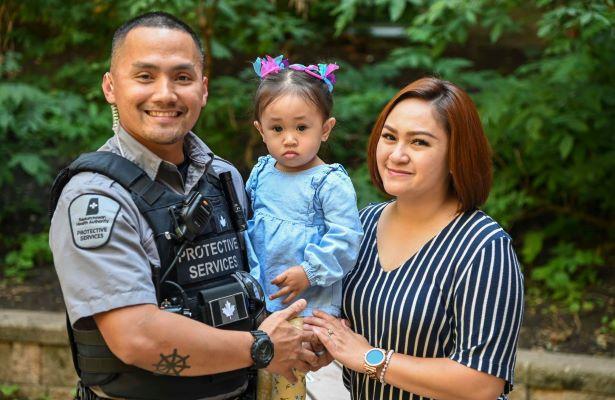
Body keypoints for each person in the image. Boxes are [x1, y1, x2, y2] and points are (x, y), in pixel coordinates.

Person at [49, 12, 320, 400]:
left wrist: (299, 333)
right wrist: (263, 347)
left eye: (182, 77)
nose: (165, 94)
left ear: (203, 89)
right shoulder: (95, 198)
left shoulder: (224, 177)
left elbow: (250, 287)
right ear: (110, 86)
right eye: (145, 76)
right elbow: (136, 336)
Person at [304, 77, 525, 400]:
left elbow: (483, 382)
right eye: (389, 137)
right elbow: (355, 330)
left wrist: (369, 358)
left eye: (419, 142)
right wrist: (331, 344)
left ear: (456, 155)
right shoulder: (361, 225)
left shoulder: (483, 246)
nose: (397, 155)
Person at [246, 55, 363, 400]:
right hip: (263, 303)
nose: (290, 139)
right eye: (277, 129)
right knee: (260, 380)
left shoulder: (328, 182)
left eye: (302, 128)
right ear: (261, 130)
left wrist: (308, 272)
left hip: (307, 307)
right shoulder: (262, 171)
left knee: (293, 381)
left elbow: (346, 240)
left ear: (325, 129)